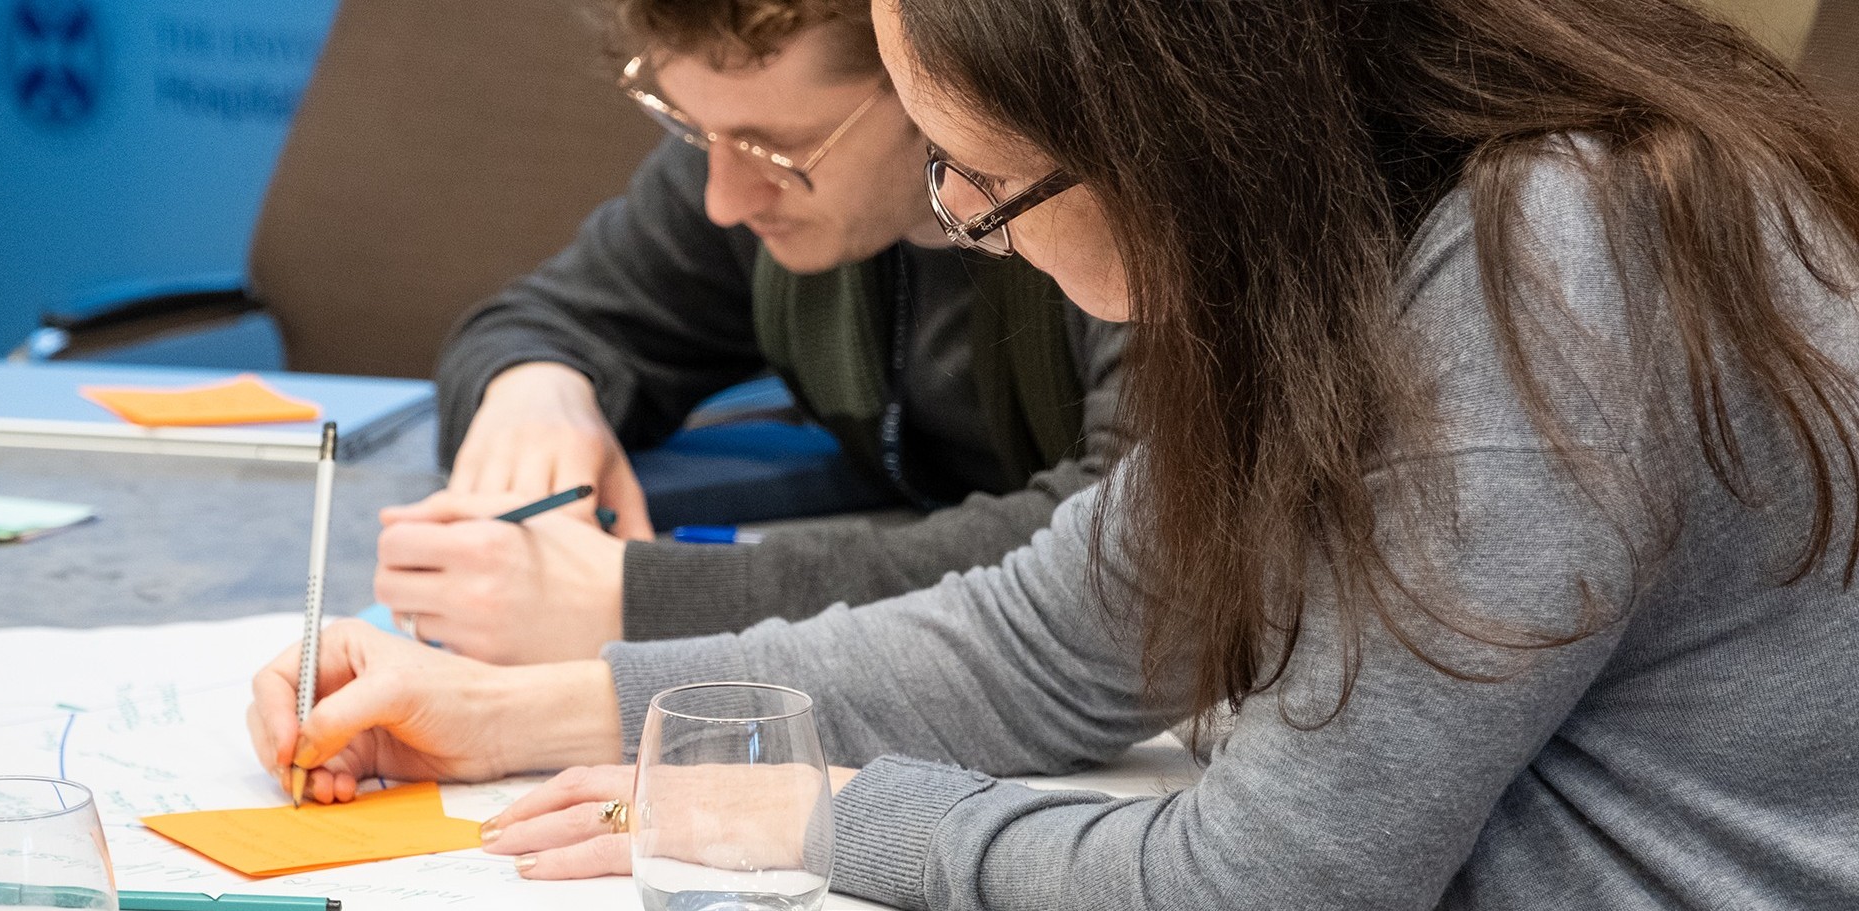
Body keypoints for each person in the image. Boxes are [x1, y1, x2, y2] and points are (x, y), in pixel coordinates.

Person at [251, 0, 1859, 906]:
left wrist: (817, 814)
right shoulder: (1352, 221)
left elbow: (1272, 882)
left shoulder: (1551, 267)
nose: (966, 231)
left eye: (978, 183)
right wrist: (517, 712)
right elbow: (1060, 633)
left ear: (1173, 128)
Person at [373, 0, 1126, 664]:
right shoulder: (741, 159)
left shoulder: (1122, 233)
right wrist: (540, 393)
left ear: (927, 79)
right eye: (691, 127)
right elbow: (541, 321)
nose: (725, 201)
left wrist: (647, 600)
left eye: (777, 149)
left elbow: (1130, 552)